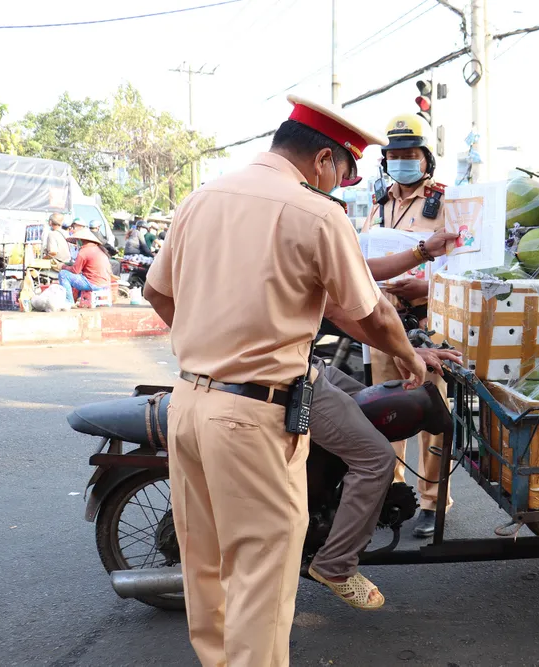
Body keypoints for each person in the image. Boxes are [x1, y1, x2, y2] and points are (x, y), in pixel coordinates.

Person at [143, 95, 429, 666]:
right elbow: (369, 312)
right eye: (343, 173)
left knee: (207, 565)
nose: (342, 186)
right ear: (324, 159)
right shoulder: (317, 214)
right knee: (262, 576)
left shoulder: (203, 198)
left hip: (189, 404)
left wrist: (215, 350)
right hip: (254, 416)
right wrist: (410, 356)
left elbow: (157, 291)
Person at [360, 113, 453, 539]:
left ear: (425, 159)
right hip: (383, 321)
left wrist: (423, 284)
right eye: (393, 155)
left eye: (409, 155)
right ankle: (393, 495)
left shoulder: (445, 203)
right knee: (385, 411)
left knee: (431, 412)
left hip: (426, 324)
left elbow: (461, 267)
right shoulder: (378, 203)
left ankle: (433, 501)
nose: (400, 162)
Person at [57, 227, 112, 305]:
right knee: (80, 276)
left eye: (77, 241)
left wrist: (63, 266)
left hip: (93, 283)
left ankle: (69, 302)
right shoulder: (99, 250)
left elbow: (75, 270)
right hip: (105, 283)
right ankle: (78, 299)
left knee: (63, 274)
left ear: (80, 241)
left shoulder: (84, 251)